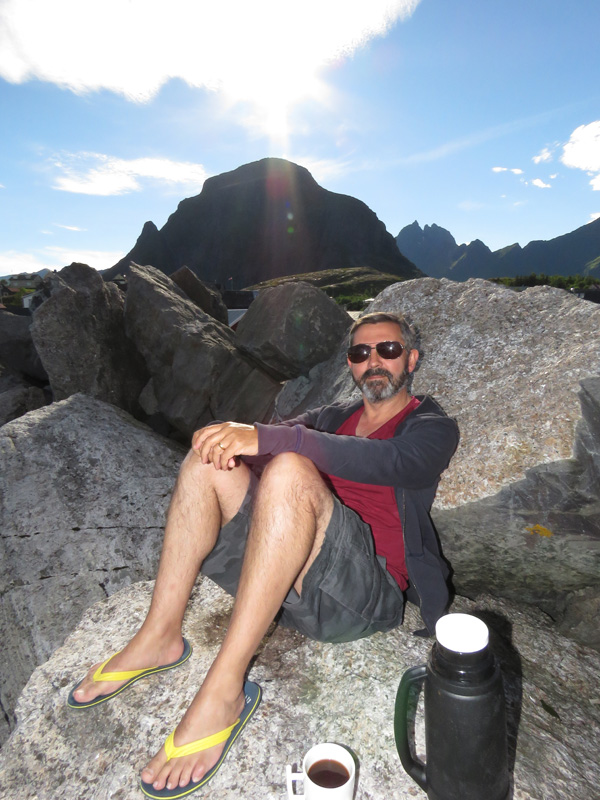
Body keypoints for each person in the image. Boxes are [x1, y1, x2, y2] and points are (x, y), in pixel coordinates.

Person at [68, 311, 459, 799]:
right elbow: (266, 443)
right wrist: (229, 437)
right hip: (283, 580)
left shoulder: (432, 426)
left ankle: (224, 691)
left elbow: (391, 462)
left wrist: (280, 441)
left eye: (389, 350)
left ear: (411, 359)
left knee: (291, 467)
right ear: (350, 364)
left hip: (359, 597)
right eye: (361, 352)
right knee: (207, 460)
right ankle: (159, 635)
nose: (374, 361)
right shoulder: (332, 417)